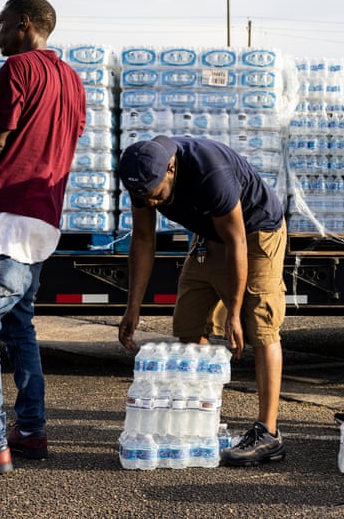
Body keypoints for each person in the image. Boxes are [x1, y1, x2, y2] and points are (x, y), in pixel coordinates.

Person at [0, 0, 86, 474]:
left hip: (6, 219)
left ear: (24, 24)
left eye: (1, 23)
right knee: (18, 325)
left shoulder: (16, 71)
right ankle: (31, 430)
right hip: (44, 221)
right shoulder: (73, 80)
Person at [117, 135, 288, 467]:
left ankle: (269, 432)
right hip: (210, 235)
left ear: (171, 167)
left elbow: (237, 240)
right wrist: (133, 306)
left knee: (261, 327)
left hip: (255, 232)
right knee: (189, 324)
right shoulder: (142, 175)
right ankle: (199, 419)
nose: (151, 204)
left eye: (155, 196)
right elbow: (142, 239)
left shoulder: (211, 173)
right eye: (143, 197)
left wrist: (234, 313)